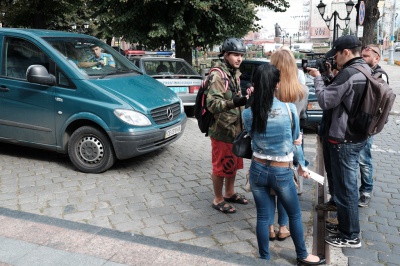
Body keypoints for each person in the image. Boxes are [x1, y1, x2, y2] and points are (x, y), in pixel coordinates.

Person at [243, 63, 325, 265]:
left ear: (254, 85)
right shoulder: (288, 110)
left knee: (263, 216)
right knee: (294, 215)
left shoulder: (247, 113)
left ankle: (264, 257)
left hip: (258, 169)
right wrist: (303, 166)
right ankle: (303, 256)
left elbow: (252, 138)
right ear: (277, 84)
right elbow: (296, 143)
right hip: (282, 172)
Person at [307, 35, 370, 248]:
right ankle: (345, 226)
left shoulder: (349, 74)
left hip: (344, 138)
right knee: (347, 187)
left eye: (336, 53)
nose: (334, 58)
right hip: (357, 135)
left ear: (346, 52)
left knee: (346, 188)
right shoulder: (365, 69)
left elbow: (325, 101)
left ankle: (351, 235)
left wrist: (317, 78)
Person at [266, 48, 310, 242]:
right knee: (285, 186)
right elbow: (299, 118)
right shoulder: (302, 91)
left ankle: (268, 227)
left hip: (267, 143)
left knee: (267, 188)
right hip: (291, 143)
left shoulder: (267, 92)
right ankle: (284, 227)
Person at [206, 38, 250, 214]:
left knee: (232, 163)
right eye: (235, 55)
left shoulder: (234, 73)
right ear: (225, 55)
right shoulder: (218, 75)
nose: (239, 59)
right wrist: (234, 102)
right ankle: (218, 199)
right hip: (222, 129)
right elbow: (213, 104)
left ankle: (229, 192)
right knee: (221, 165)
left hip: (235, 128)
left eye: (241, 56)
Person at [358, 44, 389, 208]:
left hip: (368, 125)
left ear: (376, 58)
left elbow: (381, 103)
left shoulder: (380, 76)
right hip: (359, 122)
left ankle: (366, 191)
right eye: (361, 55)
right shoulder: (365, 72)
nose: (363, 58)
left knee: (364, 160)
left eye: (366, 56)